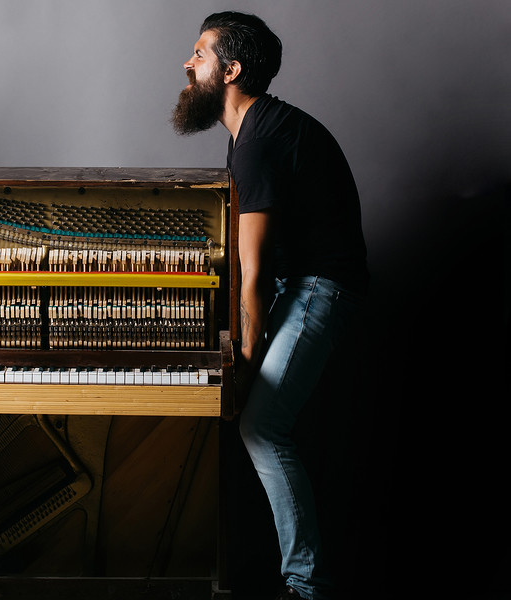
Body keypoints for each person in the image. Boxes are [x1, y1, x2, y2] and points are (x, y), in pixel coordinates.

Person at [172, 11, 369, 600]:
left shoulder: (258, 142)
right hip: (297, 285)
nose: (187, 64)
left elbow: (252, 271)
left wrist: (245, 360)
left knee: (261, 426)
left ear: (230, 70)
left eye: (200, 55)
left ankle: (307, 586)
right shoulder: (255, 133)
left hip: (317, 289)